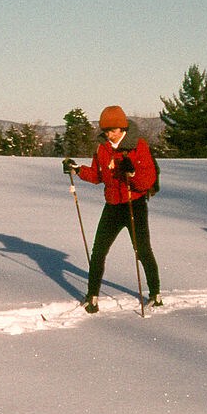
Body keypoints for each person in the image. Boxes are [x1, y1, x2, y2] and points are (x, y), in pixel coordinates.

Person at [63, 105, 161, 313]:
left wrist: (132, 173)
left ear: (122, 128)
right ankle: (93, 297)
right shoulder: (103, 148)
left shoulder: (138, 146)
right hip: (113, 205)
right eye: (106, 130)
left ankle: (155, 294)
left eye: (113, 130)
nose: (109, 134)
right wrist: (78, 170)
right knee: (98, 250)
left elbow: (147, 180)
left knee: (142, 251)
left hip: (134, 204)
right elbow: (98, 175)